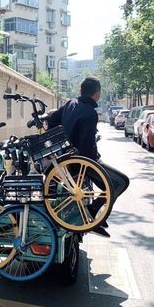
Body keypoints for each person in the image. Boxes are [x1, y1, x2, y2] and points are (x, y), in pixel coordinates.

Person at [47, 76, 110, 237]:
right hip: (82, 163)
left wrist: (61, 143)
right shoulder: (90, 113)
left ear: (80, 90)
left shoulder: (70, 103)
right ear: (97, 94)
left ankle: (95, 215)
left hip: (67, 159)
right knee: (117, 183)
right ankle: (93, 212)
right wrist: (95, 162)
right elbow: (87, 148)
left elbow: (52, 120)